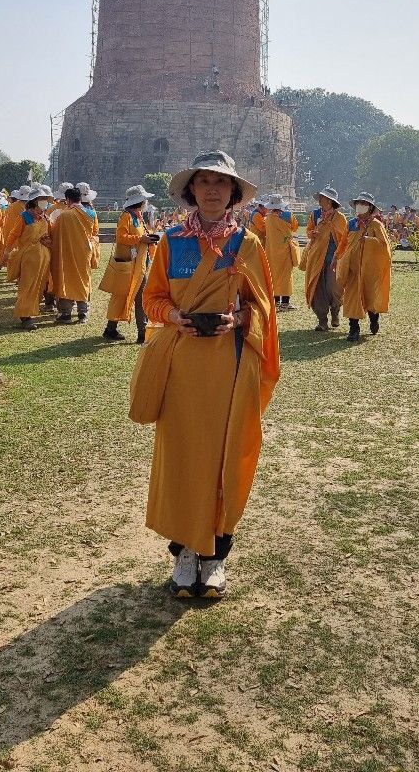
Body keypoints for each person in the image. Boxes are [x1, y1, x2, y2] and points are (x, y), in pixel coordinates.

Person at [129, 150, 279, 599]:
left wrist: (238, 320)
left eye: (221, 183)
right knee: (181, 456)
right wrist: (174, 315)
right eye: (204, 182)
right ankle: (184, 554)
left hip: (229, 367)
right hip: (181, 367)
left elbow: (264, 307)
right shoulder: (171, 241)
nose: (212, 190)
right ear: (191, 190)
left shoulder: (246, 244)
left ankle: (215, 556)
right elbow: (151, 298)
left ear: (232, 193)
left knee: (224, 457)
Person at [101, 185, 158, 343]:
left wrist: (147, 239)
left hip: (137, 265)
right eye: (144, 199)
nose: (146, 202)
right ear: (140, 201)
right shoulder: (126, 216)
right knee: (125, 296)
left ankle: (115, 329)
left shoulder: (137, 216)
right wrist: (140, 239)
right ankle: (140, 332)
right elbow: (121, 237)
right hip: (129, 265)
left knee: (133, 297)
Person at [335, 192, 392, 342]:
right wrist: (336, 257)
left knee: (370, 297)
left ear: (370, 207)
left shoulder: (376, 224)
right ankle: (354, 328)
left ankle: (374, 319)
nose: (360, 206)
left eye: (364, 204)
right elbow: (343, 243)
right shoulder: (351, 224)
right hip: (352, 268)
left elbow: (384, 245)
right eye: (358, 203)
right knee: (351, 298)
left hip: (370, 270)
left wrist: (369, 240)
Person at [5, 184, 53, 330]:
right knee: (27, 285)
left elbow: (49, 237)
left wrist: (48, 241)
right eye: (43, 200)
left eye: (46, 200)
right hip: (29, 258)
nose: (45, 203)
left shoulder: (45, 217)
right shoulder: (24, 217)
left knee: (39, 286)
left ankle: (31, 312)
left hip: (43, 257)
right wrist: (6, 252)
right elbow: (13, 235)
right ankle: (25, 317)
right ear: (35, 201)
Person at [304, 187, 348, 331]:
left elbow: (344, 239)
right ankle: (322, 320)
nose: (320, 200)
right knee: (317, 288)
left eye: (322, 198)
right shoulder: (315, 214)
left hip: (334, 258)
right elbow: (309, 231)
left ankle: (335, 311)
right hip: (316, 258)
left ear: (329, 201)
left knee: (334, 287)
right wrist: (313, 233)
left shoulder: (340, 218)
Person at [50, 186, 97, 322]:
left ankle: (66, 313)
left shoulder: (64, 215)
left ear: (68, 200)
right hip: (84, 252)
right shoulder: (91, 213)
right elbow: (93, 233)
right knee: (83, 279)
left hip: (67, 251)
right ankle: (83, 313)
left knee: (66, 279)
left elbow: (54, 233)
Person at [264, 194, 300, 310]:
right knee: (286, 276)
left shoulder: (267, 218)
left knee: (273, 275)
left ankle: (275, 302)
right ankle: (285, 303)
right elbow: (295, 228)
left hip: (271, 251)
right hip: (285, 250)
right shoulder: (289, 216)